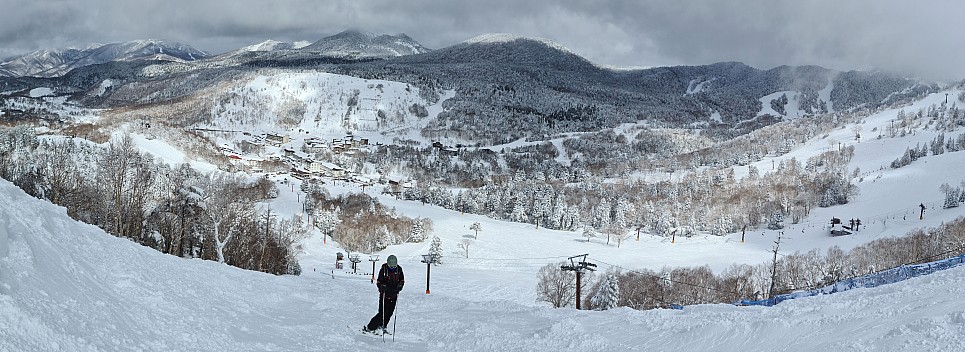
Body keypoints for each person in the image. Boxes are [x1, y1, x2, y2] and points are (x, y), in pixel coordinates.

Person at [364, 255, 404, 334]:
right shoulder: (384, 269)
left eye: (394, 266)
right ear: (388, 264)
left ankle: (383, 327)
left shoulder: (399, 269)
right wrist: (382, 287)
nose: (392, 268)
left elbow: (402, 280)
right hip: (385, 295)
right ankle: (370, 327)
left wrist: (400, 286)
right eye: (391, 267)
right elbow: (379, 281)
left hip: (394, 294)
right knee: (382, 313)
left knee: (389, 313)